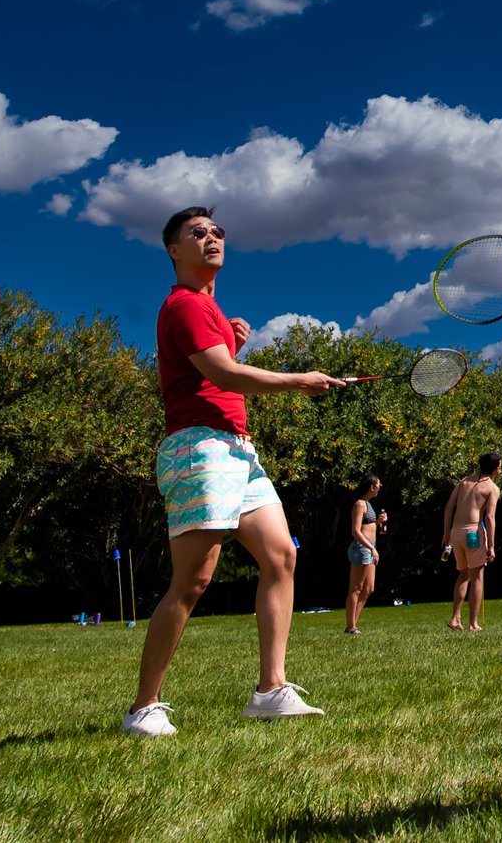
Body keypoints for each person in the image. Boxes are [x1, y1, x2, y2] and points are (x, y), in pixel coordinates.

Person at [123, 207, 345, 737]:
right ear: (174, 251)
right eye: (197, 233)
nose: (212, 238)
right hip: (199, 448)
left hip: (238, 450)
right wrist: (296, 381)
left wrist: (231, 342)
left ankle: (271, 690)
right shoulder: (185, 305)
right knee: (193, 581)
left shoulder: (209, 309)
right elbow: (223, 375)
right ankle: (144, 708)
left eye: (217, 232)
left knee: (281, 556)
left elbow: (210, 371)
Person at [443, 452, 501, 632]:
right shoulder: (492, 488)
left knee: (463, 574)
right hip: (473, 532)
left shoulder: (464, 481)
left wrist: (446, 535)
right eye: (499, 466)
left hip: (456, 532)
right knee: (477, 577)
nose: (500, 469)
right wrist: (491, 545)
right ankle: (473, 624)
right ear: (494, 468)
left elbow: (448, 507)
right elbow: (490, 517)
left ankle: (455, 618)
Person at [343, 475, 386, 636]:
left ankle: (352, 624)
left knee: (368, 588)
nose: (380, 486)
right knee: (356, 588)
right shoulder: (359, 504)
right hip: (362, 548)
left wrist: (378, 522)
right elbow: (356, 531)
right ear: (371, 487)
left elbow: (368, 527)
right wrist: (371, 548)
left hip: (369, 547)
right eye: (378, 484)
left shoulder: (368, 505)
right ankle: (350, 626)